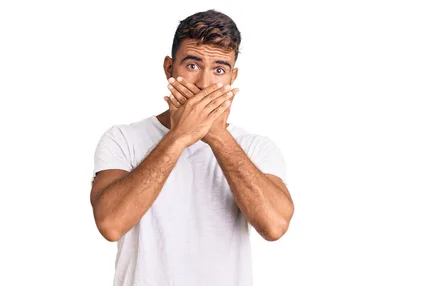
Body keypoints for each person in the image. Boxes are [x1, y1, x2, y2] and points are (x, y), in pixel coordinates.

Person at [90, 9, 294, 286]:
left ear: (232, 77)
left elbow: (274, 226)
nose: (204, 84)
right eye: (193, 65)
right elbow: (111, 225)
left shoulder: (256, 147)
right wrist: (179, 137)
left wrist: (217, 136)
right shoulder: (122, 139)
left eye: (219, 70)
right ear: (168, 68)